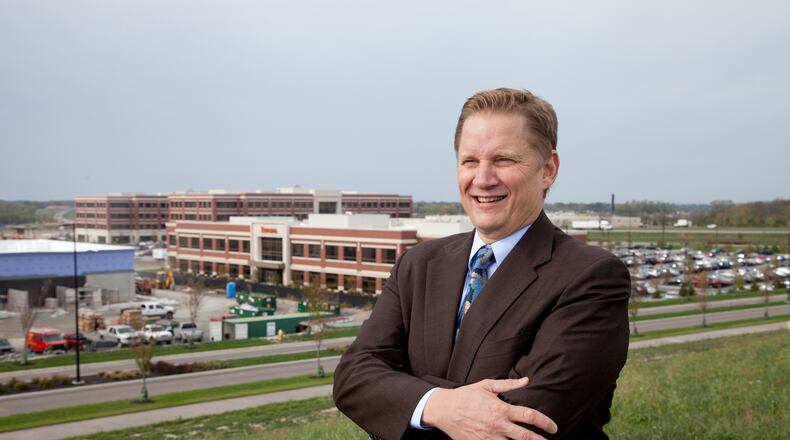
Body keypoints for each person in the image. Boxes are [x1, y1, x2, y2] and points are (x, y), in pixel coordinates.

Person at [333, 88, 630, 439]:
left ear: (548, 169)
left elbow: (522, 426)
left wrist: (405, 395)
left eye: (503, 159)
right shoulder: (418, 264)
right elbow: (352, 377)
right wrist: (440, 405)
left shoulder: (591, 277)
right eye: (470, 161)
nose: (483, 179)